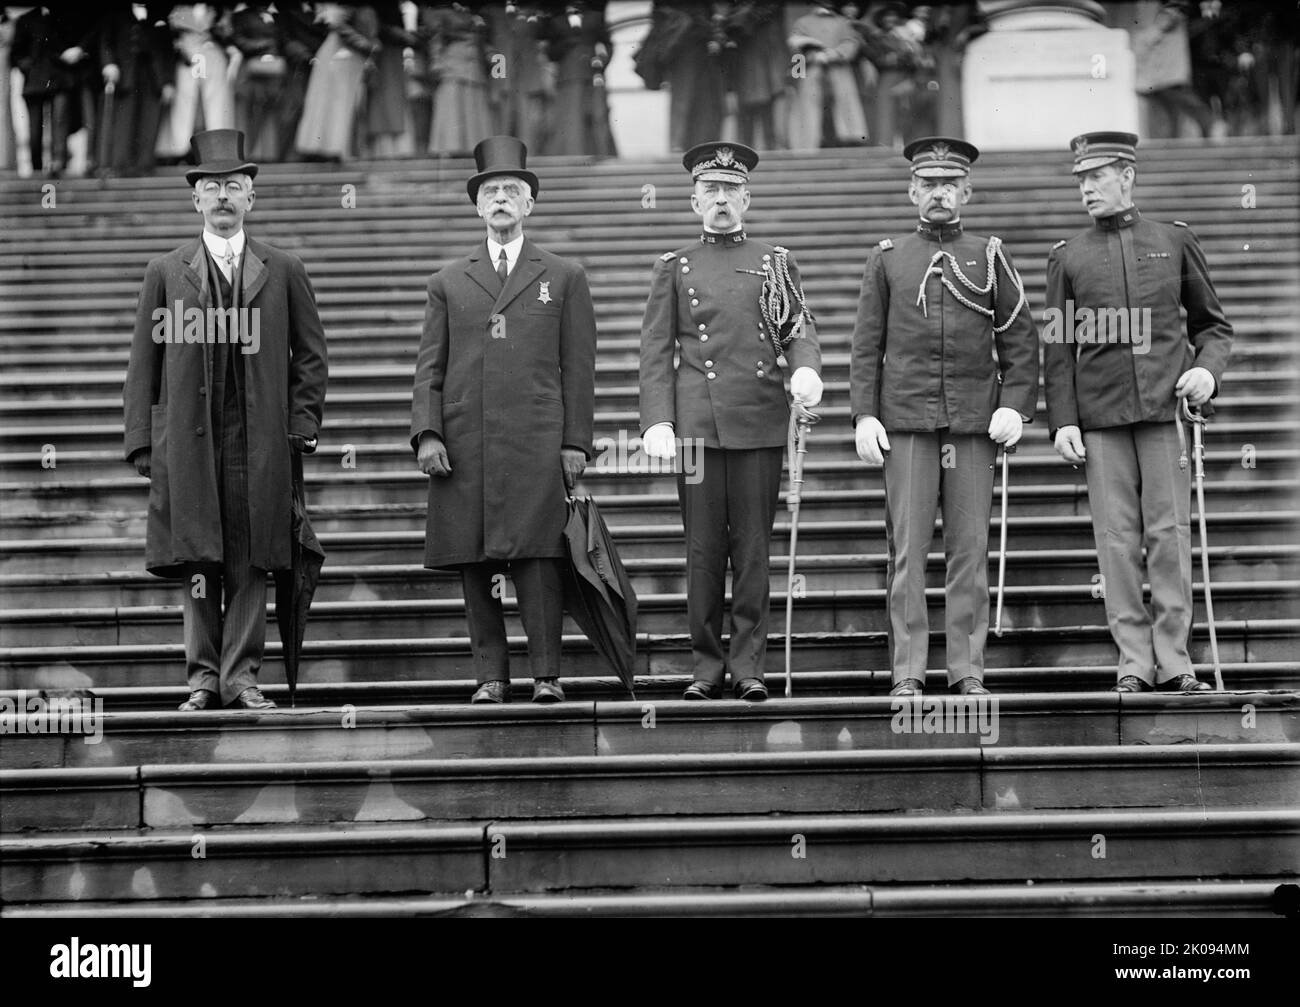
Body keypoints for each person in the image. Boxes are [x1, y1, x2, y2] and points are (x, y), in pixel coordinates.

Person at [122, 128, 329, 711]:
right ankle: (202, 678)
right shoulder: (166, 272)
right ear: (195, 199)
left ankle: (241, 677)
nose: (221, 197)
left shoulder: (283, 269)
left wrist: (300, 422)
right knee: (198, 556)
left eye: (232, 187)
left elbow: (311, 355)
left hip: (258, 438)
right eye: (210, 187)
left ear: (250, 197)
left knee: (250, 556)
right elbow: (145, 361)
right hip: (189, 437)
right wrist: (143, 440)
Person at [410, 136, 597, 705]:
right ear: (477, 206)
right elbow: (429, 368)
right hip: (466, 443)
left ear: (529, 205)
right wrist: (428, 432)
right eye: (490, 192)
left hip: (537, 443)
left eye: (512, 192)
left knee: (540, 560)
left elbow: (579, 369)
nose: (500, 200)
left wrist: (576, 445)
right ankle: (491, 675)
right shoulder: (448, 281)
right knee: (475, 562)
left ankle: (546, 675)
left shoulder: (562, 276)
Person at [1044, 131, 1232, 693]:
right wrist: (1064, 421)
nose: (1086, 189)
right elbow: (1057, 348)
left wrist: (1208, 371)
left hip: (1163, 412)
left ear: (1127, 175)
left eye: (1096, 177)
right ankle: (1133, 660)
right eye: (1080, 179)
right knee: (1116, 540)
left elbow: (1212, 326)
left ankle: (1175, 659)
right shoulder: (1068, 257)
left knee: (1169, 535)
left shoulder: (1173, 241)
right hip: (1100, 419)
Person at [850, 137, 1038, 697]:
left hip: (974, 423)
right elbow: (867, 345)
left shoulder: (990, 256)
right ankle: (907, 672)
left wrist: (1015, 405)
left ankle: (967, 670)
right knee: (907, 552)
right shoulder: (888, 258)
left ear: (967, 192)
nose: (939, 194)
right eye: (928, 185)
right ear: (912, 191)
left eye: (949, 186)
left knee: (968, 551)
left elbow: (1021, 342)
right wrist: (864, 414)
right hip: (906, 422)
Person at [640, 141, 824, 702]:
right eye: (710, 191)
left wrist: (807, 371)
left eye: (729, 191)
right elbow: (654, 351)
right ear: (694, 202)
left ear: (746, 197)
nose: (720, 200)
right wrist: (657, 420)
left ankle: (748, 667)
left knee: (751, 550)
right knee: (701, 550)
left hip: (758, 422)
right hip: (696, 427)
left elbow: (799, 330)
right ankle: (705, 667)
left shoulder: (775, 261)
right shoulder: (674, 267)